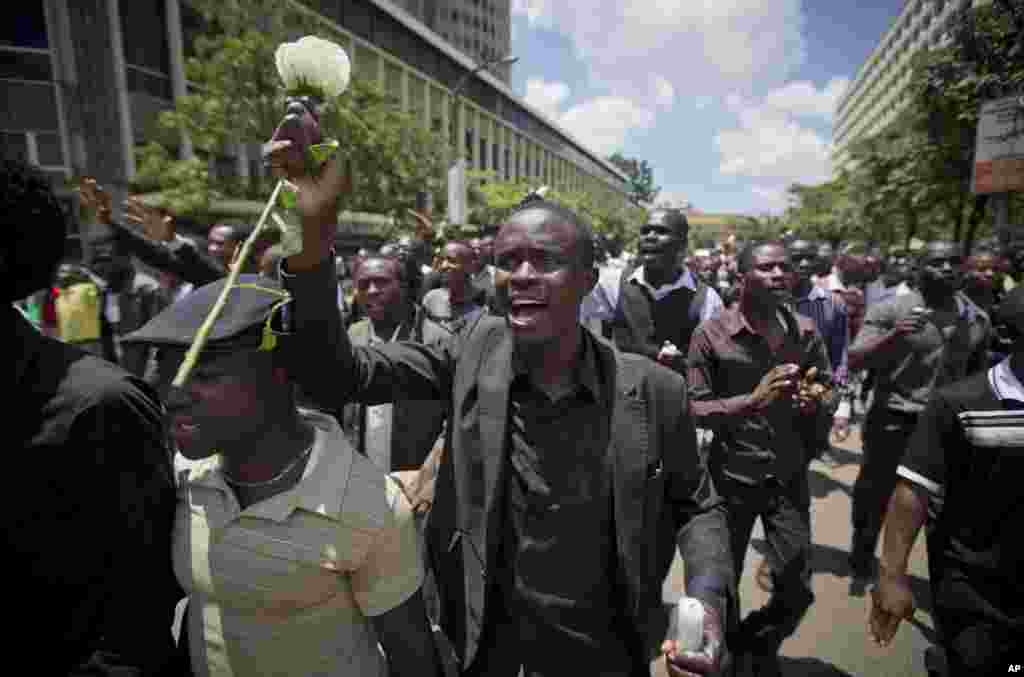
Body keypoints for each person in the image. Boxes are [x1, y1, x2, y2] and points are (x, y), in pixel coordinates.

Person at [265, 138, 735, 677]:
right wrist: (312, 237)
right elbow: (338, 373)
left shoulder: (654, 391)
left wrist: (708, 599)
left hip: (603, 652)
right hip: (486, 650)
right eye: (508, 262)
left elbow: (699, 506)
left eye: (546, 260)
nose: (524, 274)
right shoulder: (470, 353)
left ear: (587, 280)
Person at [122, 274, 442, 677]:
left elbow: (413, 660)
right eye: (167, 372)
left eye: (203, 375)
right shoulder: (183, 479)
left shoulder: (366, 503)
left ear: (278, 374)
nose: (172, 394)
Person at [5, 159, 184, 675]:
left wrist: (137, 395)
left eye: (110, 252)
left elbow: (137, 611)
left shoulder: (104, 407)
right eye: (97, 252)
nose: (102, 261)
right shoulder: (84, 297)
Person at [687, 240, 831, 677]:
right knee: (720, 585)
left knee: (796, 588)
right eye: (766, 267)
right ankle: (725, 658)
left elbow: (827, 384)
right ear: (742, 276)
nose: (778, 274)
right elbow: (693, 406)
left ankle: (756, 641)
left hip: (787, 476)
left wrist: (818, 398)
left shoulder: (804, 331)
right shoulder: (711, 334)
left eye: (784, 267)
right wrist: (751, 401)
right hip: (729, 478)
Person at [868, 284, 1024, 675]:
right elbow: (913, 490)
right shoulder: (959, 404)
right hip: (977, 588)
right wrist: (892, 577)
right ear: (1010, 336)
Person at [847, 241, 991, 581]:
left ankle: (943, 578)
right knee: (875, 492)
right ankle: (862, 549)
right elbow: (855, 358)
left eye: (954, 262)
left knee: (943, 505)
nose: (947, 269)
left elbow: (978, 376)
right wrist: (895, 336)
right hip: (894, 417)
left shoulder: (976, 319)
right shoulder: (891, 310)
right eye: (938, 262)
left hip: (945, 426)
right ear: (919, 268)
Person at [345, 253, 450, 471]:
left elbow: (453, 422)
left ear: (404, 286)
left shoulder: (435, 340)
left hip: (414, 481)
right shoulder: (352, 336)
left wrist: (429, 474)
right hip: (359, 475)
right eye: (363, 284)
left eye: (381, 282)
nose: (372, 290)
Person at [594, 208, 724, 374]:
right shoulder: (611, 284)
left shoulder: (707, 300)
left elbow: (715, 365)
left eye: (662, 231)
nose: (650, 236)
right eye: (645, 231)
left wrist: (683, 365)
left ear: (682, 244)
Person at [788, 239, 850, 441]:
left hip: (813, 399)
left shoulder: (833, 303)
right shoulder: (768, 300)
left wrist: (838, 403)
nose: (804, 264)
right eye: (797, 258)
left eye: (810, 258)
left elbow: (840, 355)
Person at [421, 240, 486, 333]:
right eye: (442, 260)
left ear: (469, 267)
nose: (443, 266)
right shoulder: (431, 299)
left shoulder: (485, 302)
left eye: (451, 261)